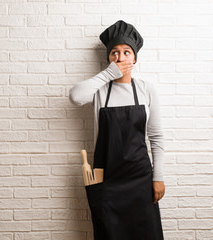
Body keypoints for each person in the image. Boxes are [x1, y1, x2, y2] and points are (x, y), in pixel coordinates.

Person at [69, 20, 165, 239]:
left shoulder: (146, 89)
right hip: (108, 180)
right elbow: (75, 97)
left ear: (135, 58)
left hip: (140, 180)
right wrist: (108, 74)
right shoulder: (100, 90)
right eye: (114, 53)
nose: (120, 58)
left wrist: (157, 177)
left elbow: (157, 137)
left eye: (126, 52)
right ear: (108, 59)